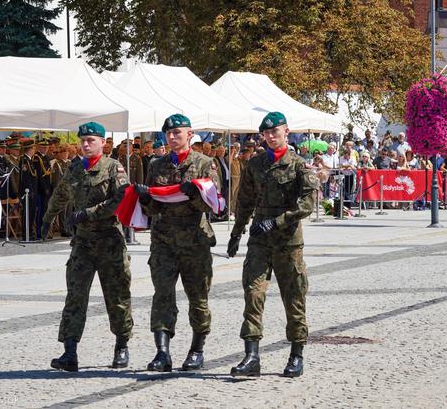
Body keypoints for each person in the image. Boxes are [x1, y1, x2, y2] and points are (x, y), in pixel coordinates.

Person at [227, 111, 317, 378]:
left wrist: (276, 222)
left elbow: (307, 205)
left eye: (274, 132)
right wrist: (236, 232)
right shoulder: (255, 165)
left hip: (288, 242)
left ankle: (296, 354)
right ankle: (251, 356)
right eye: (266, 134)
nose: (270, 137)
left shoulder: (299, 165)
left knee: (294, 297)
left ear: (286, 132)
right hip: (259, 241)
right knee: (253, 293)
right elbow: (244, 201)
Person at [43, 122, 132, 372]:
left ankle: (122, 346)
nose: (85, 144)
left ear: (103, 143)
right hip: (82, 243)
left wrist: (88, 213)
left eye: (91, 140)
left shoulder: (114, 168)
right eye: (82, 140)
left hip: (109, 241)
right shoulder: (74, 168)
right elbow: (61, 194)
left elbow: (121, 199)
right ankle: (69, 352)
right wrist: (48, 218)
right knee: (75, 296)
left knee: (117, 296)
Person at [135, 114, 220, 372]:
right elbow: (152, 210)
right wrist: (144, 198)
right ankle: (162, 352)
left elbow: (214, 205)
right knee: (162, 295)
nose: (172, 137)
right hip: (163, 241)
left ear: (189, 134)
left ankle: (197, 349)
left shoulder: (205, 163)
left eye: (177, 133)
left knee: (198, 297)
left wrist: (195, 195)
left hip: (194, 240)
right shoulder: (157, 165)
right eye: (168, 134)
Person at [19, 140, 39, 241]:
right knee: (27, 213)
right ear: (30, 149)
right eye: (33, 148)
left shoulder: (30, 160)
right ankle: (26, 234)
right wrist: (29, 190)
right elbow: (25, 178)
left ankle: (30, 232)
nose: (34, 150)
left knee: (32, 213)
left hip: (33, 191)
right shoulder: (24, 160)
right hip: (27, 191)